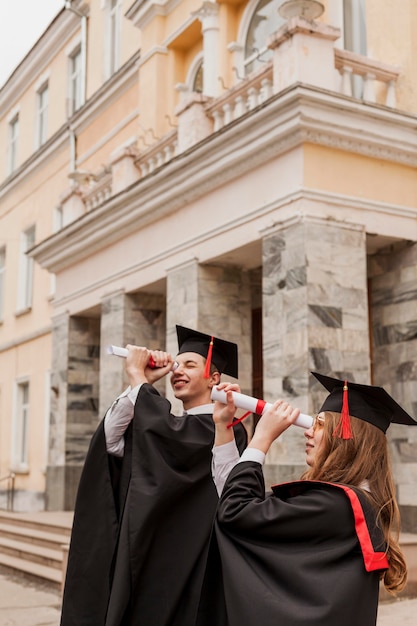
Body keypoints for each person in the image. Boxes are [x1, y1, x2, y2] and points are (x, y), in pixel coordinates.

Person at [60, 325, 247, 626]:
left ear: (214, 378)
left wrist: (138, 378)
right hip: (151, 555)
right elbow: (110, 441)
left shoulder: (228, 430)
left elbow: (168, 433)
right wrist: (143, 382)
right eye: (176, 365)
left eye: (190, 365)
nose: (178, 371)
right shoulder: (164, 428)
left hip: (196, 562)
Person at [198, 372, 416, 626]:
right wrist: (224, 427)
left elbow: (236, 513)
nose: (308, 432)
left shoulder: (338, 504)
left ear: (347, 436)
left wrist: (262, 438)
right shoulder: (350, 503)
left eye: (320, 424)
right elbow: (240, 506)